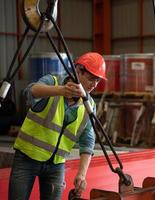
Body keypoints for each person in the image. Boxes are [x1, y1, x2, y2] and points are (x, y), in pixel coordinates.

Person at [8, 52, 107, 200]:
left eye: (98, 81)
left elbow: (88, 140)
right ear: (78, 71)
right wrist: (61, 90)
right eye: (91, 78)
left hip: (56, 165)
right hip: (27, 157)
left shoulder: (89, 105)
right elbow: (30, 92)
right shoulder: (52, 82)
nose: (94, 85)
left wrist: (81, 174)